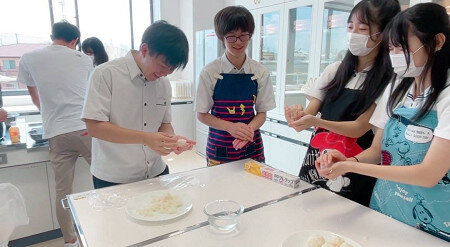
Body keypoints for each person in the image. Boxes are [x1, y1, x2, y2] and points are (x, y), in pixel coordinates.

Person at [316, 3, 449, 241]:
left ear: (437, 42)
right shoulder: (398, 86)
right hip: (385, 210)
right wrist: (348, 159)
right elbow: (378, 150)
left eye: (402, 46)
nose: (394, 54)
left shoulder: (447, 95)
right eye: (391, 47)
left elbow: (429, 174)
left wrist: (351, 167)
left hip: (431, 226)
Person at [285, 0, 400, 206]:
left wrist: (319, 122)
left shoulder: (388, 80)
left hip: (353, 165)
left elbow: (359, 128)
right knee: (306, 210)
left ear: (383, 34)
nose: (353, 33)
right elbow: (310, 111)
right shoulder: (335, 70)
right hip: (317, 158)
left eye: (362, 28)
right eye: (350, 27)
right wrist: (298, 116)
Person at [82, 21, 194, 189]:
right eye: (162, 66)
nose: (164, 74)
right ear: (144, 50)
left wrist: (170, 140)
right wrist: (146, 138)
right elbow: (95, 127)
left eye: (170, 70)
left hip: (156, 172)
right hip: (115, 178)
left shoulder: (163, 83)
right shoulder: (106, 74)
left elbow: (164, 123)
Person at [17, 21, 93, 247]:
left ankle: (69, 240)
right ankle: (106, 226)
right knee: (103, 175)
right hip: (84, 128)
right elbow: (89, 93)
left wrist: (46, 112)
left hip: (56, 132)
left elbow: (33, 91)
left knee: (63, 190)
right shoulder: (84, 59)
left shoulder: (29, 57)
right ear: (74, 41)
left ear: (53, 36)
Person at [195, 6, 275, 166]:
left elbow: (261, 113)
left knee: (253, 190)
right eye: (231, 37)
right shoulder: (210, 72)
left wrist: (247, 130)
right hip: (219, 148)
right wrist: (231, 127)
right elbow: (202, 114)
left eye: (243, 36)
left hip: (252, 146)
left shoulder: (260, 72)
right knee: (221, 189)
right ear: (222, 37)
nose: (238, 42)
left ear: (250, 36)